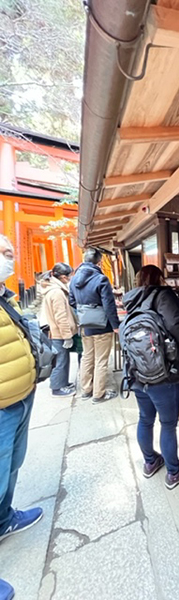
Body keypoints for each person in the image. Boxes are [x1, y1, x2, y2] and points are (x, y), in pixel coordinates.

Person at [122, 265, 179, 490]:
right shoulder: (163, 295)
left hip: (136, 372)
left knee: (145, 419)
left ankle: (150, 461)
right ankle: (174, 471)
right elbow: (174, 324)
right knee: (168, 423)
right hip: (163, 373)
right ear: (159, 278)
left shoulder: (131, 300)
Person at [0, 235, 43, 600]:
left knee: (12, 466)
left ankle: (4, 519)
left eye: (11, 253)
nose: (11, 260)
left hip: (18, 399)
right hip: (1, 407)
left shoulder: (5, 299)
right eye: (4, 254)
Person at [69, 248, 119, 404]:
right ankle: (99, 394)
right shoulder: (101, 279)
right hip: (102, 326)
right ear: (99, 262)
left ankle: (86, 390)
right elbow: (109, 305)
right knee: (101, 360)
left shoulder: (74, 279)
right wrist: (116, 325)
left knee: (87, 357)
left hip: (85, 326)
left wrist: (85, 311)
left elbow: (71, 302)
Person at [43, 263, 77, 398]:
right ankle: (57, 388)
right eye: (69, 276)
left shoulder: (54, 289)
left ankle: (63, 383)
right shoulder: (57, 292)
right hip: (59, 333)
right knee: (60, 361)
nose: (70, 279)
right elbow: (61, 317)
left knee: (63, 360)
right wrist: (67, 336)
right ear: (63, 277)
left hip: (57, 332)